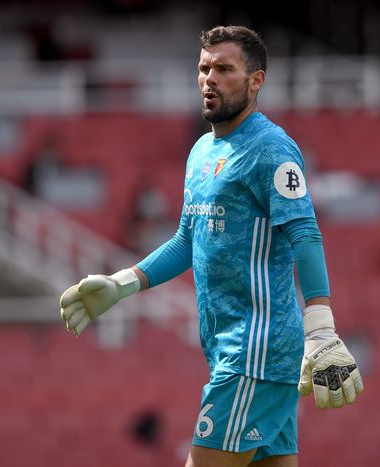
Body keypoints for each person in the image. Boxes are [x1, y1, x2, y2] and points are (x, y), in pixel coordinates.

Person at [59, 25, 363, 467]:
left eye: (224, 69)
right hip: (231, 350)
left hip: (255, 352)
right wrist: (123, 283)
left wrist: (320, 327)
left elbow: (305, 234)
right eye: (204, 69)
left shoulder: (272, 149)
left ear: (255, 81)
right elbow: (188, 238)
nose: (210, 79)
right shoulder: (202, 151)